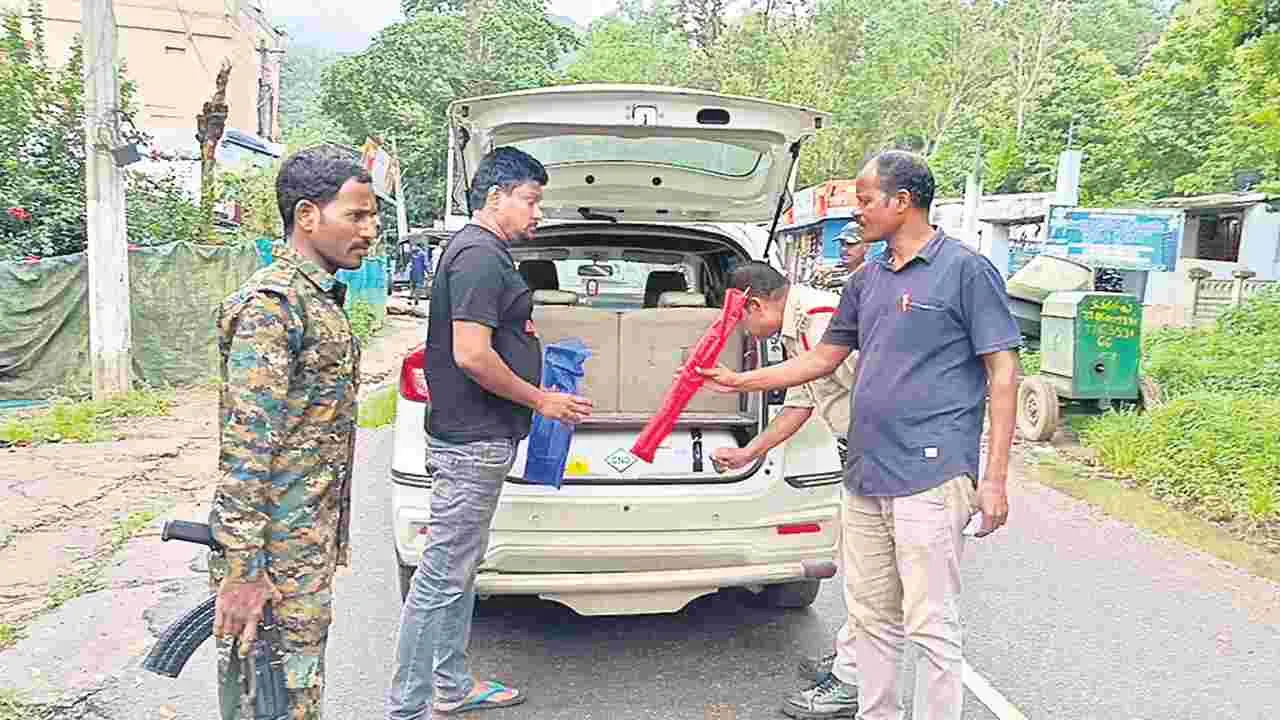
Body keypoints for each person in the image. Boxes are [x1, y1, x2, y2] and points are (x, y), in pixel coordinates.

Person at [700, 150, 1021, 720]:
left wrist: (993, 479)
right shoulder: (865, 279)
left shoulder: (966, 270)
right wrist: (739, 380)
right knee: (872, 618)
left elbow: (1003, 372)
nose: (856, 212)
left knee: (932, 625)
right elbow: (821, 360)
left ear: (903, 202)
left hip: (931, 471)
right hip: (865, 473)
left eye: (866, 200)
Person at [386, 146, 594, 719]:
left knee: (458, 570)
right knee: (441, 576)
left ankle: (451, 685)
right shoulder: (479, 255)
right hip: (472, 442)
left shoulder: (483, 252)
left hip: (477, 437)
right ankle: (407, 707)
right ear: (496, 196)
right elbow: (472, 355)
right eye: (530, 200)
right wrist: (542, 400)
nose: (537, 212)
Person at [208, 144, 379, 720]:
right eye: (357, 215)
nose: (370, 230)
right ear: (307, 215)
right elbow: (246, 447)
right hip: (272, 557)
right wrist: (243, 569)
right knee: (270, 701)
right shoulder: (274, 307)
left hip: (299, 548)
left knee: (295, 697)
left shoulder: (317, 300)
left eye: (372, 216)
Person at [704, 260, 862, 719]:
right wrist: (749, 452)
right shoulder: (796, 331)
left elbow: (876, 387)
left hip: (881, 452)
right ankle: (855, 659)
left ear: (754, 304)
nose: (744, 333)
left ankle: (857, 674)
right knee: (862, 572)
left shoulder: (818, 320)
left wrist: (739, 381)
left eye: (740, 321)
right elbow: (800, 403)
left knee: (875, 580)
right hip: (860, 450)